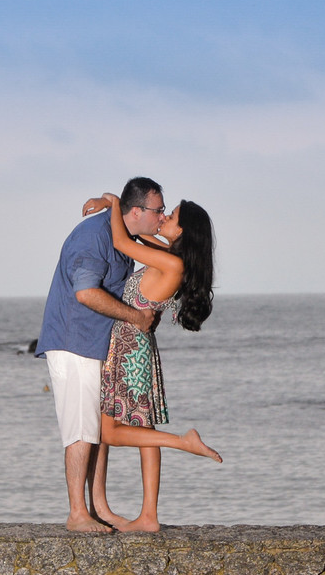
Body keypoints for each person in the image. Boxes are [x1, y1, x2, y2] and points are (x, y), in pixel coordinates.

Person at [80, 191, 222, 532]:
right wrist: (125, 208)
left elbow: (120, 238)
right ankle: (149, 517)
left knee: (109, 432)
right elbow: (140, 230)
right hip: (136, 347)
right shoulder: (169, 257)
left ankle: (183, 442)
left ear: (184, 231)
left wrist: (114, 203)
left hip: (129, 349)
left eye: (170, 217)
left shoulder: (171, 263)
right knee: (143, 431)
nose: (163, 220)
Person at [36, 177, 166, 532]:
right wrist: (137, 317)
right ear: (137, 211)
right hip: (72, 341)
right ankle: (77, 513)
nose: (162, 217)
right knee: (80, 429)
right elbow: (85, 293)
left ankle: (99, 508)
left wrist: (110, 200)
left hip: (96, 345)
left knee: (95, 426)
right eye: (158, 210)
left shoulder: (123, 232)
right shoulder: (93, 237)